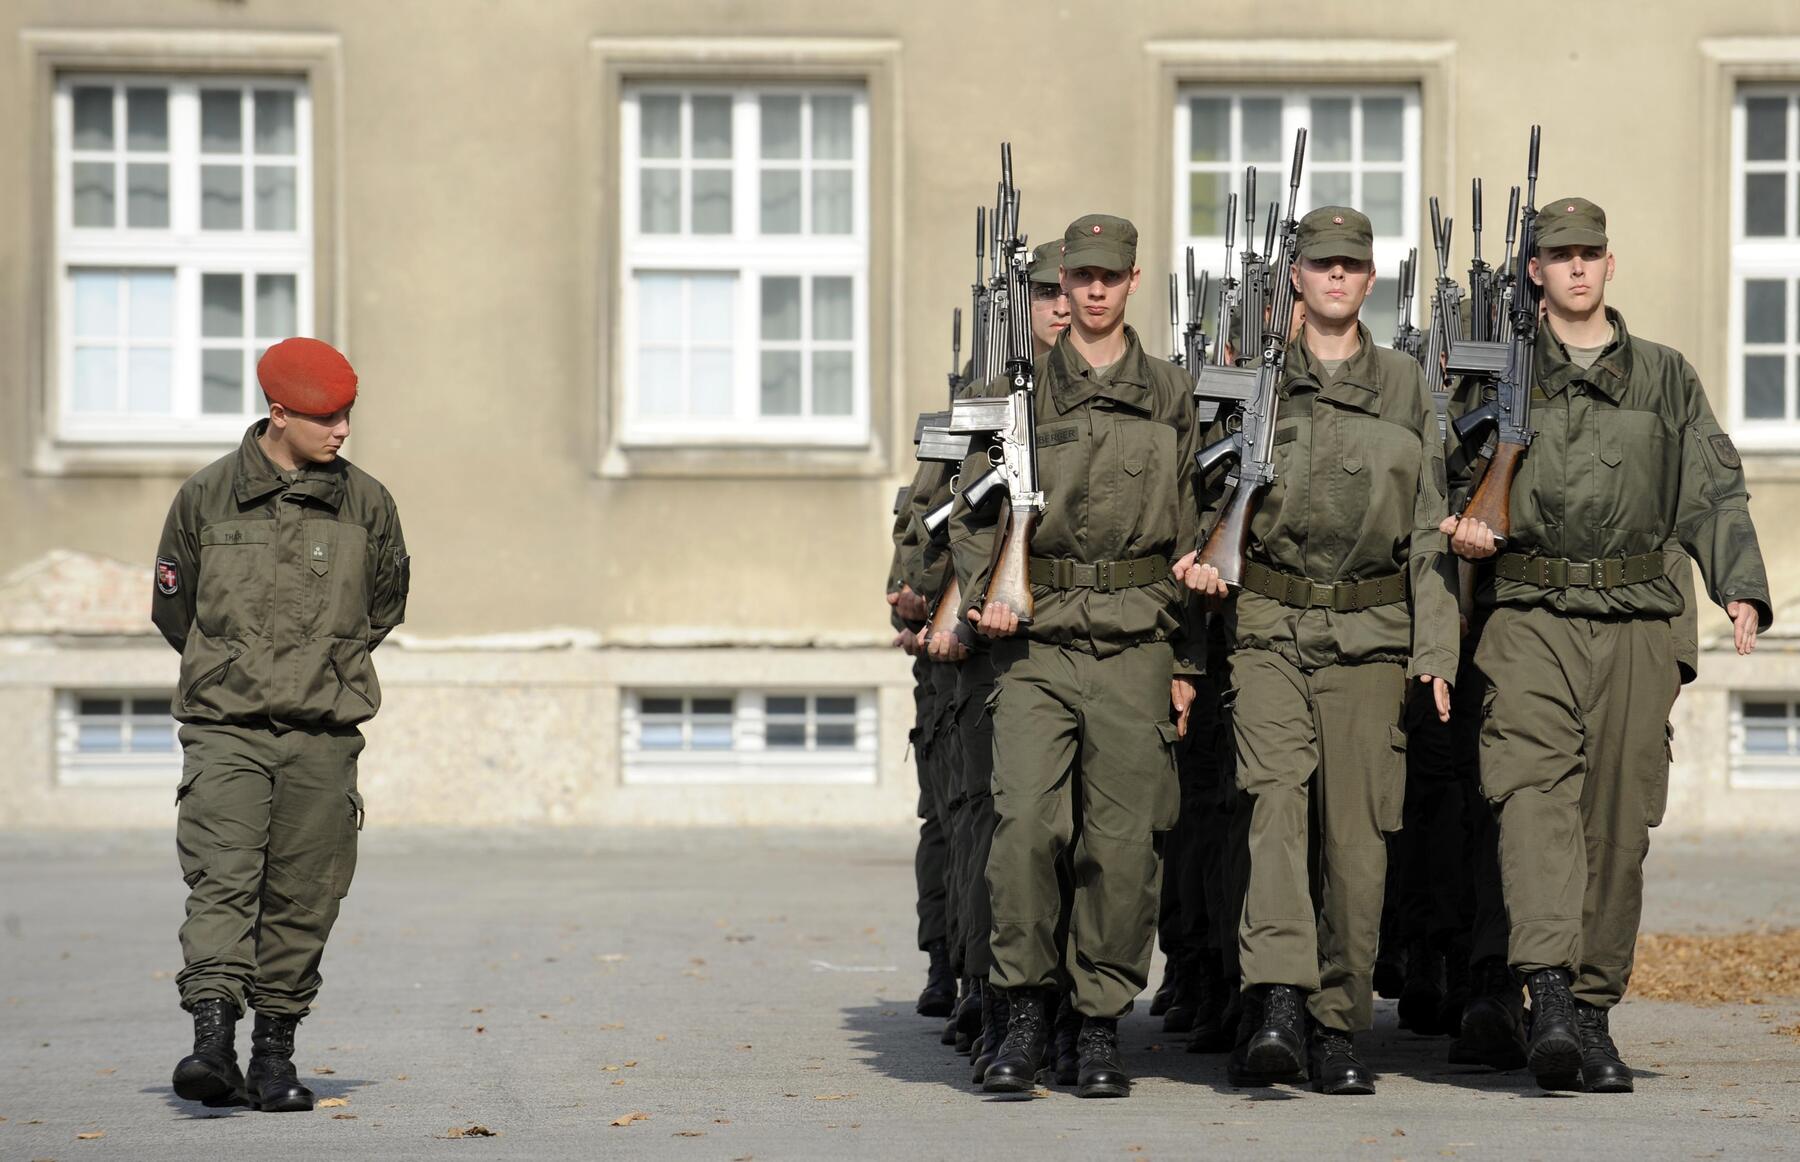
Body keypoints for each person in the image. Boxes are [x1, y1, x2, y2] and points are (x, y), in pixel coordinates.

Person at [1441, 197, 1770, 1093]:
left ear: (1609, 267)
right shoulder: (1495, 377)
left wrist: (1738, 582)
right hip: (1531, 617)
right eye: (1559, 256)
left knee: (1619, 823)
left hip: (1636, 618)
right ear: (1535, 274)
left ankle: (1591, 1012)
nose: (1577, 268)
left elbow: (1712, 490)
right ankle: (1544, 989)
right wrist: (1463, 526)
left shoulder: (1666, 377)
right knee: (1534, 799)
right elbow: (1443, 483)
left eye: (1591, 254)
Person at [1177, 205, 1459, 1095]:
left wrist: (1436, 651)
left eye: (1350, 266)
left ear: (1370, 281)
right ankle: (1276, 1002)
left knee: (1359, 838)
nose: (1335, 278)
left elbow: (1429, 528)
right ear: (1295, 279)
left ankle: (1339, 1023)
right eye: (1320, 265)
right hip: (1269, 628)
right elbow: (1202, 503)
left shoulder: (1407, 385)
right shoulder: (1254, 383)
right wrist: (1201, 569)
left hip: (1373, 638)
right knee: (1271, 812)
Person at [953, 214, 1200, 1099]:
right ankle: (1023, 1009)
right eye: (1074, 280)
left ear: (1133, 281)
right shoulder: (1018, 395)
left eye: (1107, 277)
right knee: (1024, 826)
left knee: (1122, 844)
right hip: (1039, 638)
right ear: (1060, 288)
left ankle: (1097, 1025)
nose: (1089, 293)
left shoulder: (1171, 392)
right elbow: (973, 515)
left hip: (1136, 635)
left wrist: (1187, 662)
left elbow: (1195, 526)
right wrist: (989, 591)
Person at [153, 337, 409, 1111]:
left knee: (305, 895)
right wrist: (236, 669)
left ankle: (272, 1058)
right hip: (225, 727)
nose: (341, 431)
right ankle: (211, 1043)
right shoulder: (205, 497)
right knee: (223, 879)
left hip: (323, 735)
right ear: (278, 413)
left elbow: (385, 607)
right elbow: (176, 610)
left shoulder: (368, 503)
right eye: (326, 417)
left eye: (347, 415)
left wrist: (322, 668)